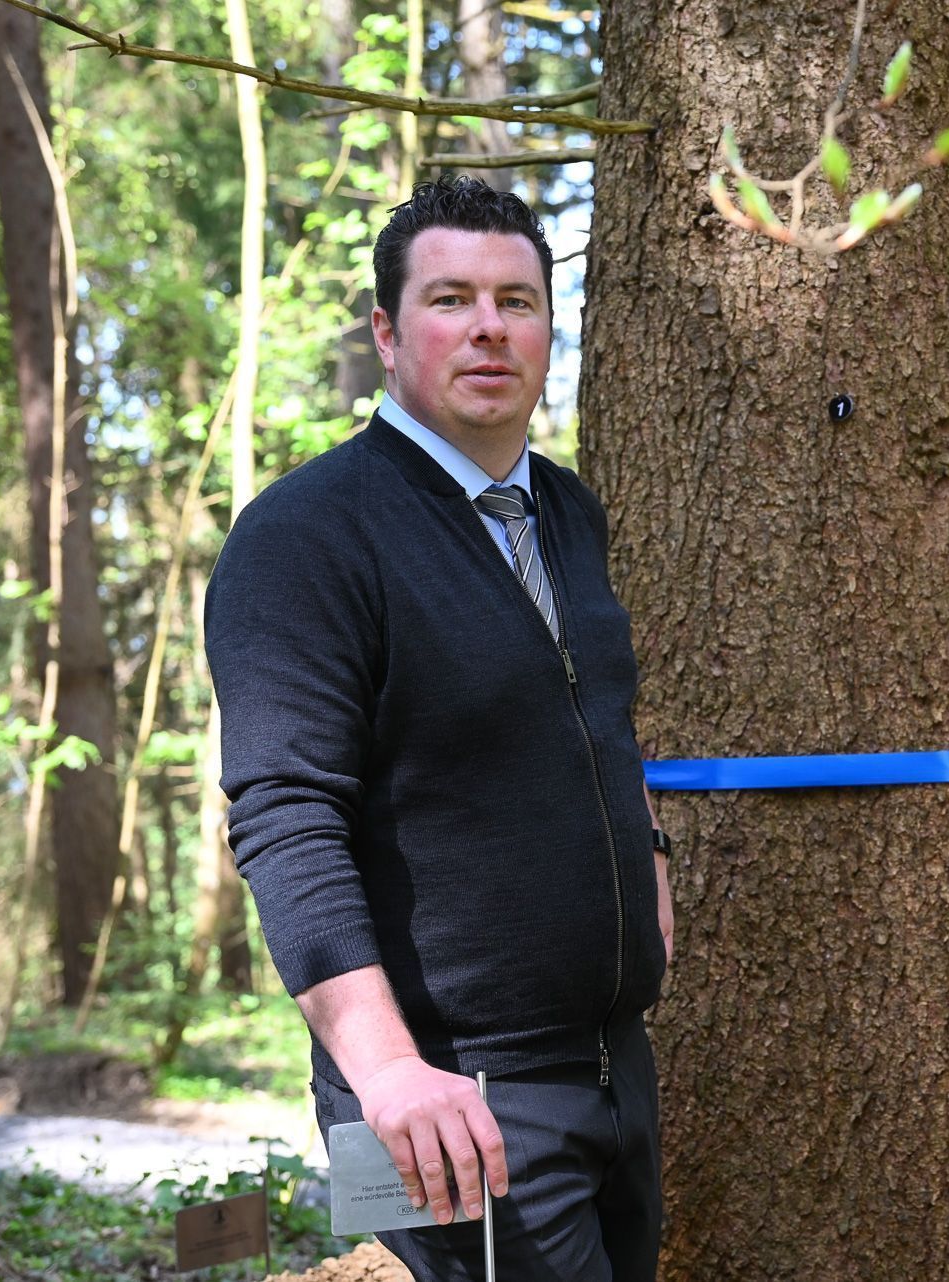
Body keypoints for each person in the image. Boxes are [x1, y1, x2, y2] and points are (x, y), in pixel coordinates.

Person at [205, 176, 672, 1281]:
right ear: (386, 328)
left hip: (612, 1071)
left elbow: (597, 709)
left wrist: (648, 850)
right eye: (450, 298)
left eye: (517, 301)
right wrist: (389, 1074)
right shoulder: (307, 537)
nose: (488, 328)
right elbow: (286, 820)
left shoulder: (566, 512)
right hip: (453, 1102)